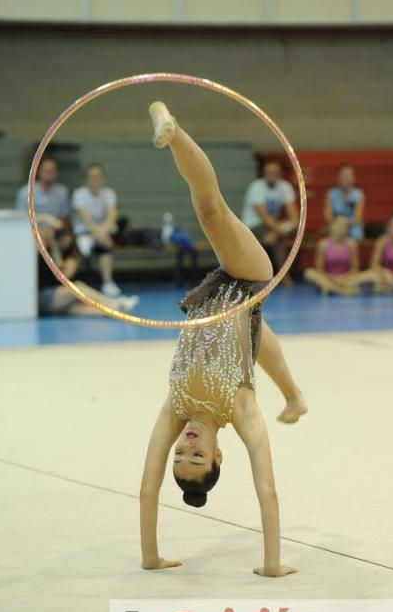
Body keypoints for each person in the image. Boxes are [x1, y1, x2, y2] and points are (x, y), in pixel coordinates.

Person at [140, 102, 307, 578]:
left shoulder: (175, 408)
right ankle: (171, 127)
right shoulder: (240, 409)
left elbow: (148, 489)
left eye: (181, 454)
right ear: (217, 454)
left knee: (251, 330)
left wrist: (151, 557)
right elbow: (267, 489)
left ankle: (295, 396)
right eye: (198, 456)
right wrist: (271, 565)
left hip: (226, 304)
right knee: (211, 210)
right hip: (247, 279)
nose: (187, 446)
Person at [38, 220, 138, 316]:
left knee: (77, 308)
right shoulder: (44, 249)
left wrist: (56, 251)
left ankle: (114, 311)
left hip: (61, 297)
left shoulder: (71, 255)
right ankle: (114, 303)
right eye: (60, 235)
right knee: (78, 286)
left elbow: (63, 276)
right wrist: (48, 222)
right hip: (42, 297)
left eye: (66, 235)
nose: (64, 239)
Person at [241, 159, 298, 285]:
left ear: (280, 174)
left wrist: (279, 231)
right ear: (264, 173)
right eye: (268, 172)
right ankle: (283, 276)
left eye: (274, 172)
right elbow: (264, 217)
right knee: (280, 239)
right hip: (253, 226)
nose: (271, 175)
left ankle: (281, 275)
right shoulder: (256, 187)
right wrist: (279, 231)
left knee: (284, 235)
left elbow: (294, 218)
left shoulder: (284, 186)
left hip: (273, 228)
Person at [71, 164, 122, 297]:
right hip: (85, 233)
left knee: (104, 247)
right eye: (92, 177)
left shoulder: (109, 193)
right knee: (95, 245)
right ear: (86, 179)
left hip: (104, 232)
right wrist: (99, 235)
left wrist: (102, 233)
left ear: (103, 178)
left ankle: (108, 283)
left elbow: (112, 216)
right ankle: (82, 286)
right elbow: (86, 219)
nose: (95, 179)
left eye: (98, 176)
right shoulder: (79, 194)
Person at [304, 216, 374, 295]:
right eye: (338, 225)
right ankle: (341, 291)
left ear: (347, 230)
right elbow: (319, 269)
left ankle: (331, 288)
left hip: (347, 278)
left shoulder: (352, 244)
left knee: (370, 275)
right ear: (331, 226)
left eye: (344, 226)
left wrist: (343, 277)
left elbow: (355, 268)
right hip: (328, 278)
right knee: (309, 273)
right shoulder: (323, 244)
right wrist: (331, 278)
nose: (341, 228)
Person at [16, 156, 70, 229]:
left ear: (57, 173)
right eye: (46, 170)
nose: (49, 173)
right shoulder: (25, 192)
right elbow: (21, 218)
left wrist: (53, 230)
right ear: (38, 171)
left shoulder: (62, 191)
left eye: (52, 171)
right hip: (31, 231)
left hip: (54, 232)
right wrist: (44, 219)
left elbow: (64, 217)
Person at [324, 164, 365, 241]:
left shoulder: (359, 195)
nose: (347, 178)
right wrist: (338, 225)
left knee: (356, 236)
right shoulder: (331, 194)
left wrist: (343, 223)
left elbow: (358, 218)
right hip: (335, 228)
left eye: (350, 175)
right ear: (338, 178)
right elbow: (328, 216)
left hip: (353, 229)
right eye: (344, 176)